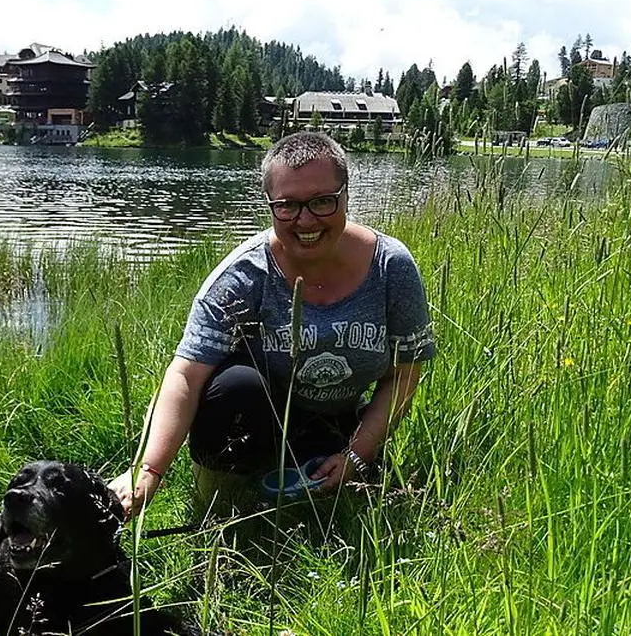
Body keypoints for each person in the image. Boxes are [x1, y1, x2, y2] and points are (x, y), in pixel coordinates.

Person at [109, 131, 436, 519]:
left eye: (322, 202)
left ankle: (323, 469)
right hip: (260, 421)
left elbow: (404, 373)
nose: (306, 220)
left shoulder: (391, 267)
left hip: (343, 423)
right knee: (234, 386)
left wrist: (356, 454)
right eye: (288, 206)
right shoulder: (243, 275)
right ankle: (218, 508)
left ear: (346, 195)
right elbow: (186, 375)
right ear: (269, 206)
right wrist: (147, 471)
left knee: (345, 503)